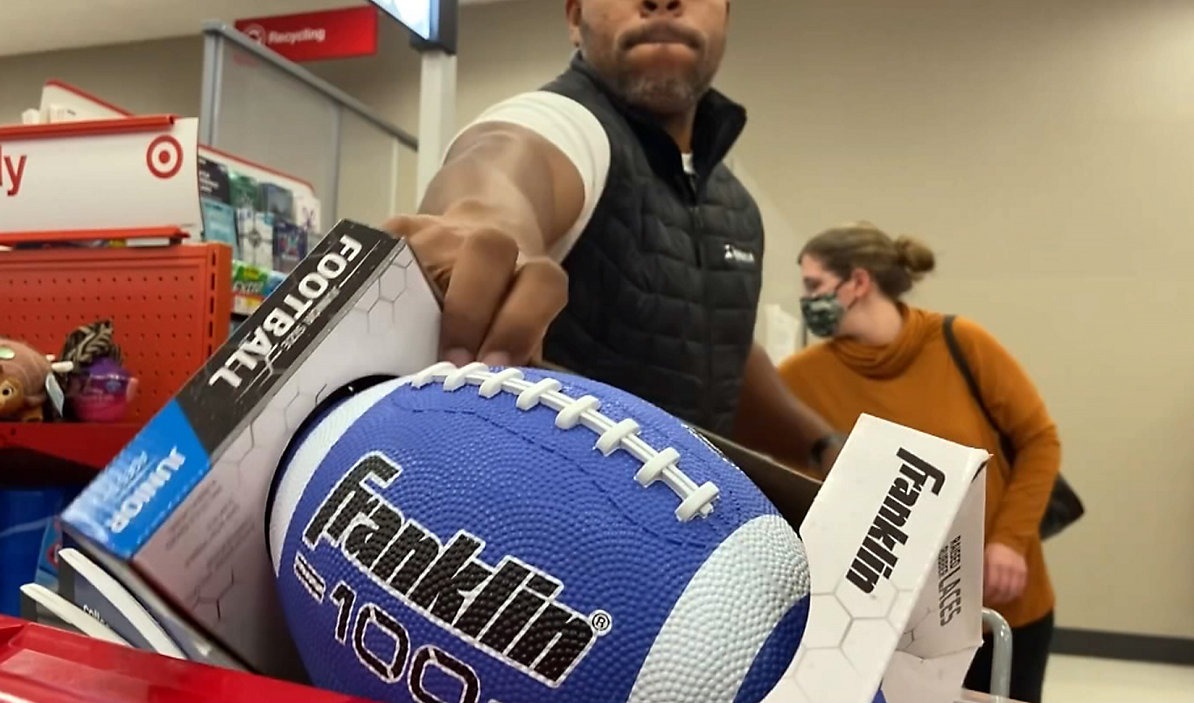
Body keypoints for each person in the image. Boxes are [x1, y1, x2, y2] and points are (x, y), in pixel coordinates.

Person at [382, 0, 844, 475]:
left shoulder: (735, 203)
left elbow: (715, 347)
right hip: (554, 522)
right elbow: (504, 166)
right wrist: (475, 227)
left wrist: (821, 443)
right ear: (574, 17)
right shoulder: (564, 122)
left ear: (726, 13)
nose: (662, 1)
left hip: (700, 533)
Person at [776, 221, 1062, 703]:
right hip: (891, 625)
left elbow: (1040, 440)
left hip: (1001, 602)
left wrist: (1011, 541)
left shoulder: (959, 342)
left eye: (814, 285)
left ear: (859, 283)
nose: (806, 301)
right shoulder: (800, 379)